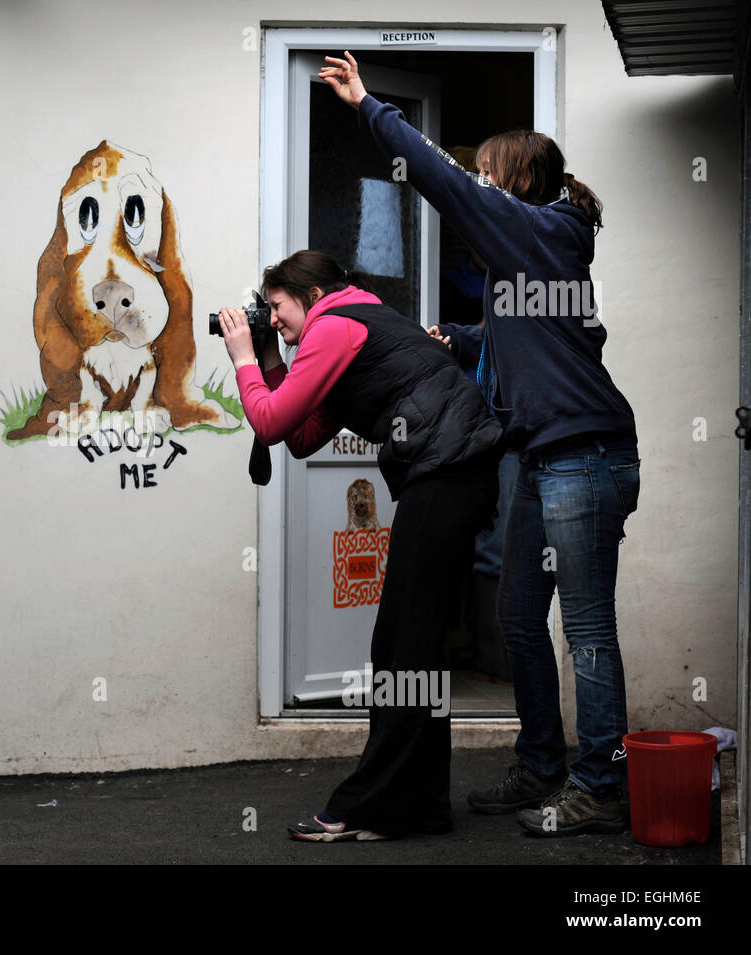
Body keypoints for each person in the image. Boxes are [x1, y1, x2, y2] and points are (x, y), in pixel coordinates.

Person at [321, 52, 641, 836]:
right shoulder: (525, 262)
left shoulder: (543, 233)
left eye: (491, 175)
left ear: (520, 184)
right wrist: (459, 338)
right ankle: (542, 767)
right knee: (522, 618)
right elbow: (524, 339)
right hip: (540, 457)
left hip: (587, 456)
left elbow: (447, 184)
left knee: (587, 626)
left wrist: (370, 107)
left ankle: (601, 782)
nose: (482, 185)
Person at [218, 250, 503, 840]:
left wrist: (243, 356)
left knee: (402, 647)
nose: (273, 321)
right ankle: (419, 808)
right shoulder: (360, 322)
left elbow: (267, 424)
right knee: (414, 646)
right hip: (454, 476)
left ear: (313, 294)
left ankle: (368, 804)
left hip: (447, 476)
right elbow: (299, 436)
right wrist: (269, 357)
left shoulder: (334, 326)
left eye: (277, 309)